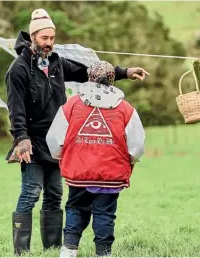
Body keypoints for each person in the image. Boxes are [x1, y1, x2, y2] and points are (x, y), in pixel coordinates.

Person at [5, 8, 148, 256]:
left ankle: (51, 247)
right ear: (33, 37)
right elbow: (15, 107)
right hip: (33, 142)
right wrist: (22, 138)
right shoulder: (18, 69)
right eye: (44, 38)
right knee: (30, 193)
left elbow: (87, 72)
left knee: (55, 194)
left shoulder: (56, 62)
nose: (49, 43)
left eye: (52, 38)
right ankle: (21, 250)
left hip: (59, 141)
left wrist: (124, 72)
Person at [46, 61, 145, 257]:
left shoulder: (72, 105)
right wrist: (130, 161)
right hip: (111, 175)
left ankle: (69, 251)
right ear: (112, 80)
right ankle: (103, 253)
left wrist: (61, 157)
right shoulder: (126, 109)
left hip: (79, 174)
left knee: (75, 208)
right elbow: (137, 145)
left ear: (90, 78)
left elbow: (54, 139)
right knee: (105, 214)